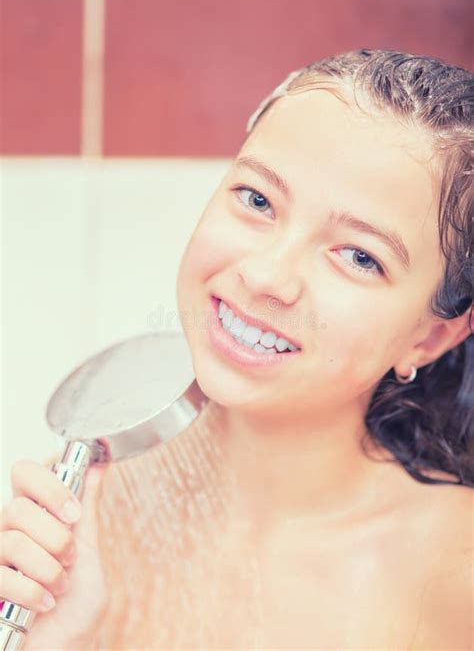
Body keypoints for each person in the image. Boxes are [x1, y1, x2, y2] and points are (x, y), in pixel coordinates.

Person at [1, 48, 472, 649]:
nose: (266, 276)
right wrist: (53, 638)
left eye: (359, 256)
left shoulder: (454, 575)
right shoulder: (88, 505)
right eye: (256, 200)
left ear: (428, 336)